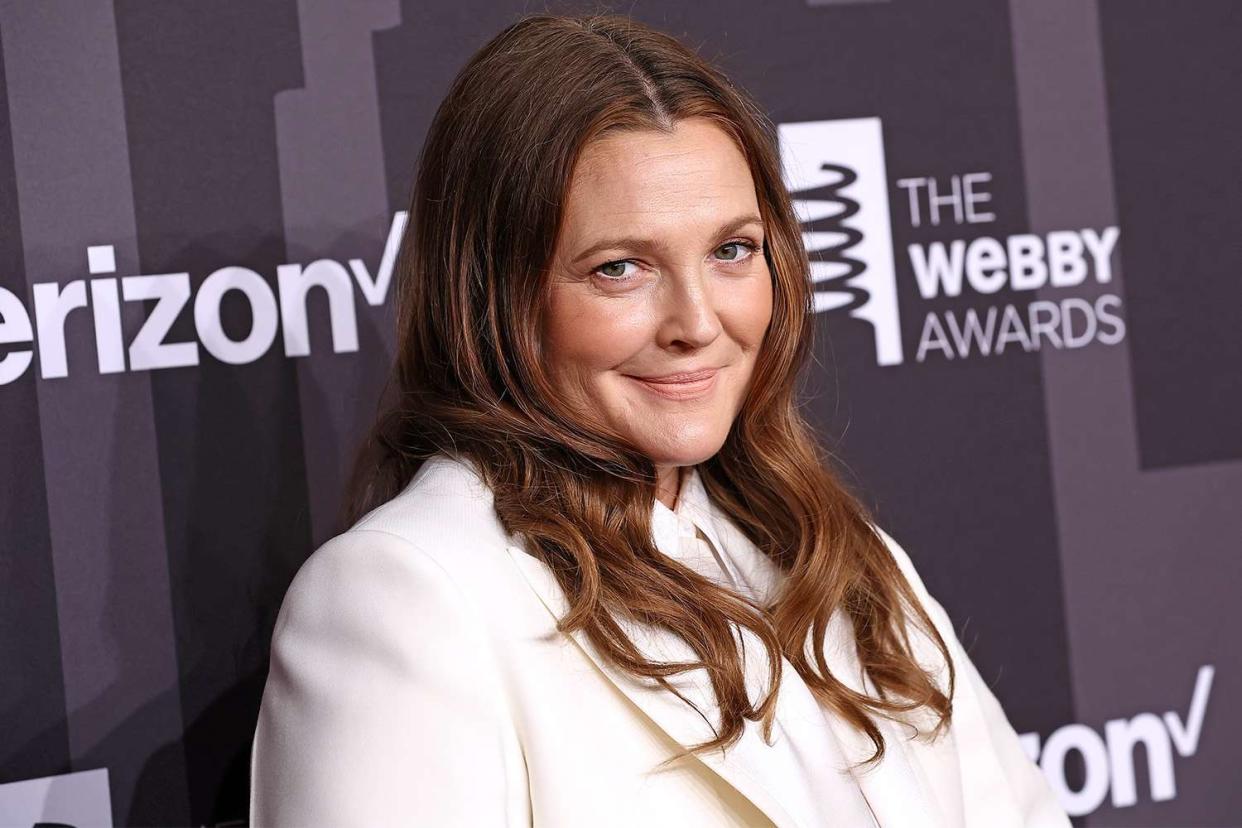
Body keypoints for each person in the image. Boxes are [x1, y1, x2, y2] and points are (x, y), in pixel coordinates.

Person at [248, 12, 1071, 827]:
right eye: (620, 268)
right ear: (492, 298)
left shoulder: (840, 554)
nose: (698, 322)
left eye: (732, 251)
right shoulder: (407, 597)